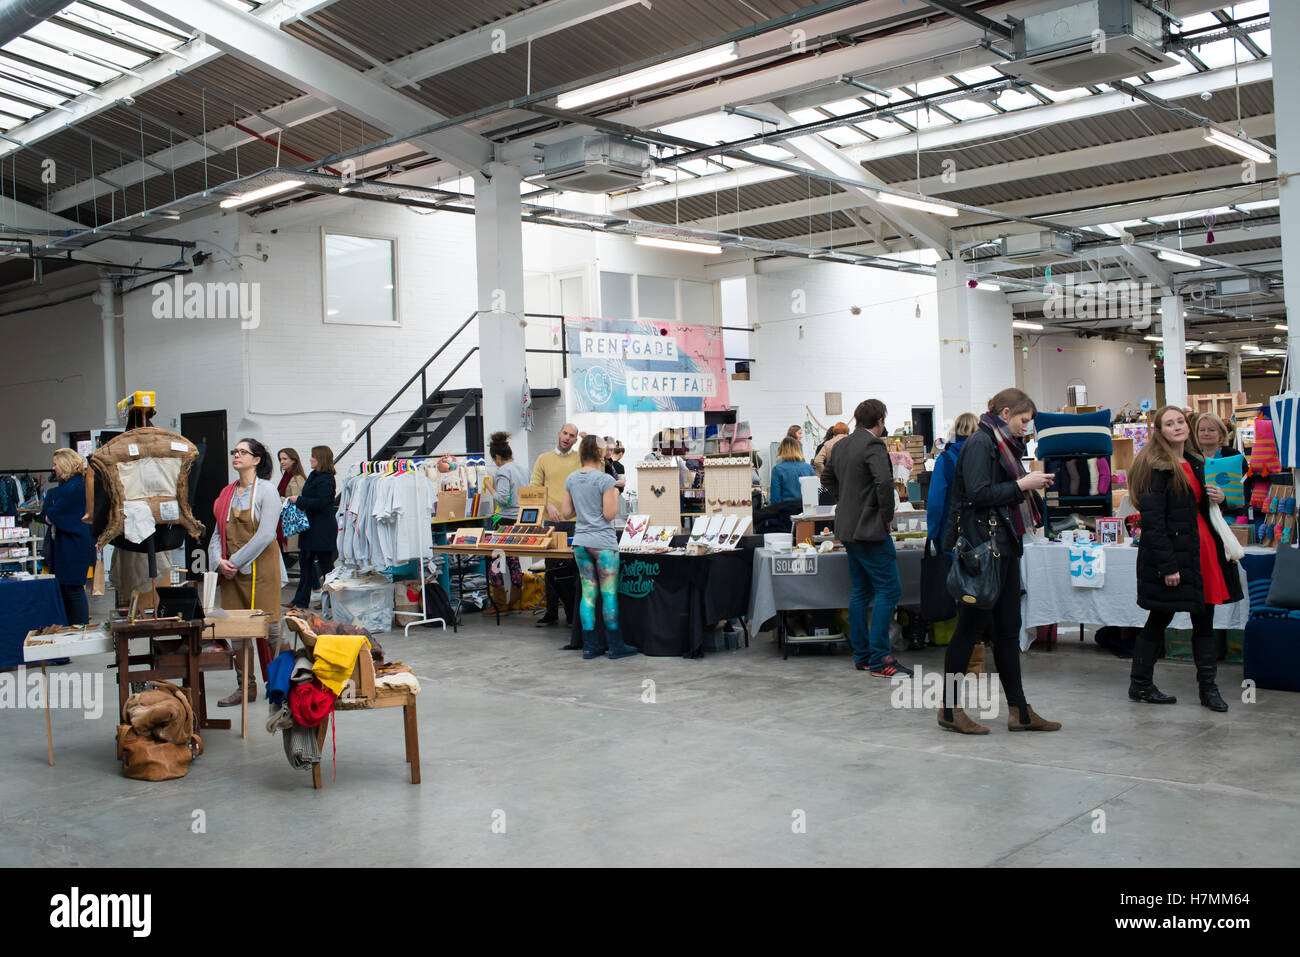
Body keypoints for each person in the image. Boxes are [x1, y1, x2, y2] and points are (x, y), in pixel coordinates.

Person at [939, 389, 1059, 734]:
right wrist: (1023, 484)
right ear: (1006, 413)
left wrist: (1025, 485)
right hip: (984, 550)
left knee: (1008, 631)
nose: (1026, 428)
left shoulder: (1003, 444)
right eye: (1023, 420)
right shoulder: (982, 442)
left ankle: (1019, 711)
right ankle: (949, 710)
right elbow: (977, 493)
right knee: (969, 632)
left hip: (1002, 546)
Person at [1127, 405, 1242, 712]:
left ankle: (1209, 689)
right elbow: (1153, 523)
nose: (1177, 427)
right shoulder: (1157, 467)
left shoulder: (1196, 461)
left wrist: (1221, 498)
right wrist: (1168, 566)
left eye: (1180, 421)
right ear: (1160, 431)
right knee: (1160, 617)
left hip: (1202, 549)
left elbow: (1208, 506)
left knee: (1204, 618)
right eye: (1169, 423)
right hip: (1176, 554)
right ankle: (1140, 684)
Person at [823, 399, 911, 677]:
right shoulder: (874, 445)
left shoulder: (841, 445)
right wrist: (886, 516)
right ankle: (880, 659)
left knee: (861, 590)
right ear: (881, 421)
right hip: (871, 528)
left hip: (847, 527)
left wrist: (846, 499)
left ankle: (862, 656)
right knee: (889, 590)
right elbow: (884, 483)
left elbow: (826, 477)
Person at [209, 438, 282, 707]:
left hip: (261, 570)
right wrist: (218, 561)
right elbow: (217, 532)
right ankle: (245, 687)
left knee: (270, 628)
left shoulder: (267, 491)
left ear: (257, 459)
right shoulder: (226, 493)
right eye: (235, 452)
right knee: (236, 630)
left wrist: (235, 561)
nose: (236, 456)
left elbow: (265, 535)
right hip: (231, 573)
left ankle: (279, 686)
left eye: (243, 452)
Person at [563, 436, 638, 659]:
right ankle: (615, 646)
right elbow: (609, 514)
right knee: (609, 594)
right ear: (600, 454)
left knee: (588, 594)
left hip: (580, 542)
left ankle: (589, 646)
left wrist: (585, 510)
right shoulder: (606, 480)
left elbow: (567, 513)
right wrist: (613, 494)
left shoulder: (571, 479)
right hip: (603, 544)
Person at [925, 413, 987, 673]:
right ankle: (981, 649)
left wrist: (934, 535)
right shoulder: (987, 456)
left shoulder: (946, 459)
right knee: (982, 592)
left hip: (955, 536)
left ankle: (967, 657)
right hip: (985, 535)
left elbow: (937, 502)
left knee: (960, 592)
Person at [532, 423, 581, 629]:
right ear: (558, 433)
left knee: (574, 569)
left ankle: (572, 615)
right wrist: (548, 505)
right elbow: (534, 487)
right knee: (551, 569)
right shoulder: (543, 459)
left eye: (572, 435)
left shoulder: (580, 458)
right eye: (565, 433)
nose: (567, 438)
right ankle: (551, 612)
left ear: (576, 440)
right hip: (551, 523)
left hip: (577, 522)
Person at [40, 449, 95, 625]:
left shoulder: (75, 486)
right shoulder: (70, 486)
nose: (53, 467)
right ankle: (74, 628)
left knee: (73, 590)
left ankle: (79, 628)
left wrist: (51, 514)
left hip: (73, 548)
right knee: (68, 589)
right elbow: (48, 515)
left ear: (65, 464)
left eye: (55, 464)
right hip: (68, 546)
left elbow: (52, 515)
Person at [288, 446, 337, 611]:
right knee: (305, 564)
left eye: (313, 456)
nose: (309, 459)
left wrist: (299, 500)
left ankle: (333, 599)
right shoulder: (313, 476)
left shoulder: (327, 479)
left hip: (322, 529)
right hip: (310, 528)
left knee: (326, 566)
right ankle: (300, 600)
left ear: (320, 459)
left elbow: (322, 503)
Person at [484, 431, 529, 592]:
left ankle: (499, 600)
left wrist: (489, 487)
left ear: (497, 457)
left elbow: (503, 499)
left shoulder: (503, 471)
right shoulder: (524, 469)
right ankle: (517, 595)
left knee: (496, 557)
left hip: (505, 520)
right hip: (522, 519)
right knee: (513, 558)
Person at [276, 448, 307, 562]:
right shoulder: (287, 477)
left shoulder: (296, 478)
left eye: (285, 459)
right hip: (287, 521)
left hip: (291, 523)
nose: (282, 462)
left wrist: (276, 498)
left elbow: (297, 501)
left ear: (294, 460)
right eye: (280, 459)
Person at [769, 436, 815, 506]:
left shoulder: (777, 469)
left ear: (781, 450)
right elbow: (815, 493)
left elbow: (775, 499)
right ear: (798, 450)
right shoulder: (808, 468)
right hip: (806, 510)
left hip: (787, 511)